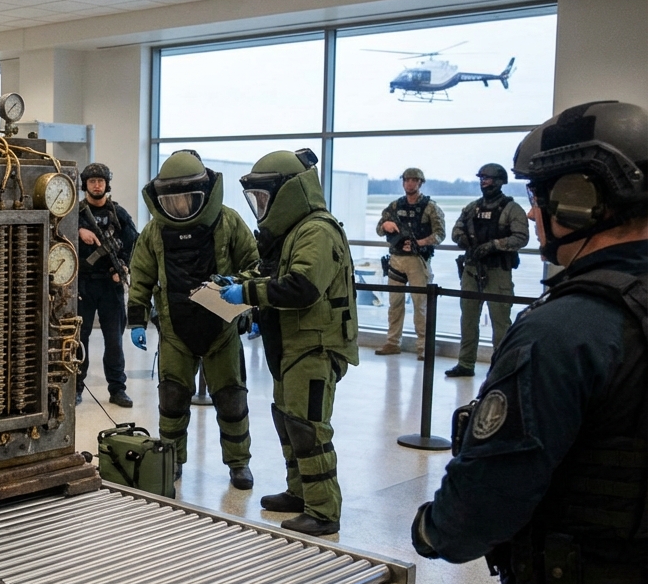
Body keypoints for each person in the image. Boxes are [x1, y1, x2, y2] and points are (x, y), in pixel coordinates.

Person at [412, 100, 648, 584]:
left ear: (578, 200)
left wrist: (435, 531)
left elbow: (487, 500)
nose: (538, 215)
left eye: (543, 197)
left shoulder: (565, 332)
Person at [220, 149, 359, 535]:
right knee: (288, 420)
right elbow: (275, 278)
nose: (260, 207)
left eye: (265, 197)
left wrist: (247, 292)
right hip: (293, 344)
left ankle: (324, 509)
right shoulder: (293, 233)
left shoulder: (317, 229)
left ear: (290, 192)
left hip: (314, 346)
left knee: (308, 427)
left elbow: (302, 287)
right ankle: (300, 493)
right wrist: (249, 296)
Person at [127, 150, 258, 488]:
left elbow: (256, 266)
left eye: (188, 199)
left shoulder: (228, 222)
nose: (180, 207)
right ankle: (172, 460)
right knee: (171, 400)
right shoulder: (154, 231)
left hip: (222, 329)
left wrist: (244, 295)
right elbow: (140, 274)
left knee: (232, 400)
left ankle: (238, 464)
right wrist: (137, 319)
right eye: (172, 200)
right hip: (174, 330)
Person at [446, 163, 529, 378]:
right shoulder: (472, 208)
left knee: (500, 323)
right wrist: (462, 238)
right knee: (468, 320)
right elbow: (456, 230)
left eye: (488, 178)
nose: (484, 182)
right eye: (482, 178)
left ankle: (501, 367)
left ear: (499, 181)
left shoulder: (512, 209)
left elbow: (521, 238)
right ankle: (465, 363)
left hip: (497, 271)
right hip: (472, 270)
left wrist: (493, 246)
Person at [76, 162, 138, 408]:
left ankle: (117, 389)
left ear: (107, 184)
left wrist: (122, 267)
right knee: (79, 339)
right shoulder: (75, 214)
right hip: (83, 285)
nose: (97, 185)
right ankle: (77, 387)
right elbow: (57, 236)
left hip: (110, 286)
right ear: (85, 185)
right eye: (92, 181)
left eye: (101, 181)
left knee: (114, 340)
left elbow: (134, 244)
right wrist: (78, 229)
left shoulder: (119, 214)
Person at [375, 167, 445, 358]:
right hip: (396, 259)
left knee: (420, 305)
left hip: (417, 260)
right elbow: (379, 229)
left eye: (414, 180)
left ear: (420, 183)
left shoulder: (430, 207)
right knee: (394, 304)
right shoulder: (395, 206)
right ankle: (392, 342)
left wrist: (419, 243)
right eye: (407, 180)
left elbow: (440, 234)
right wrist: (385, 225)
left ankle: (423, 347)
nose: (410, 183)